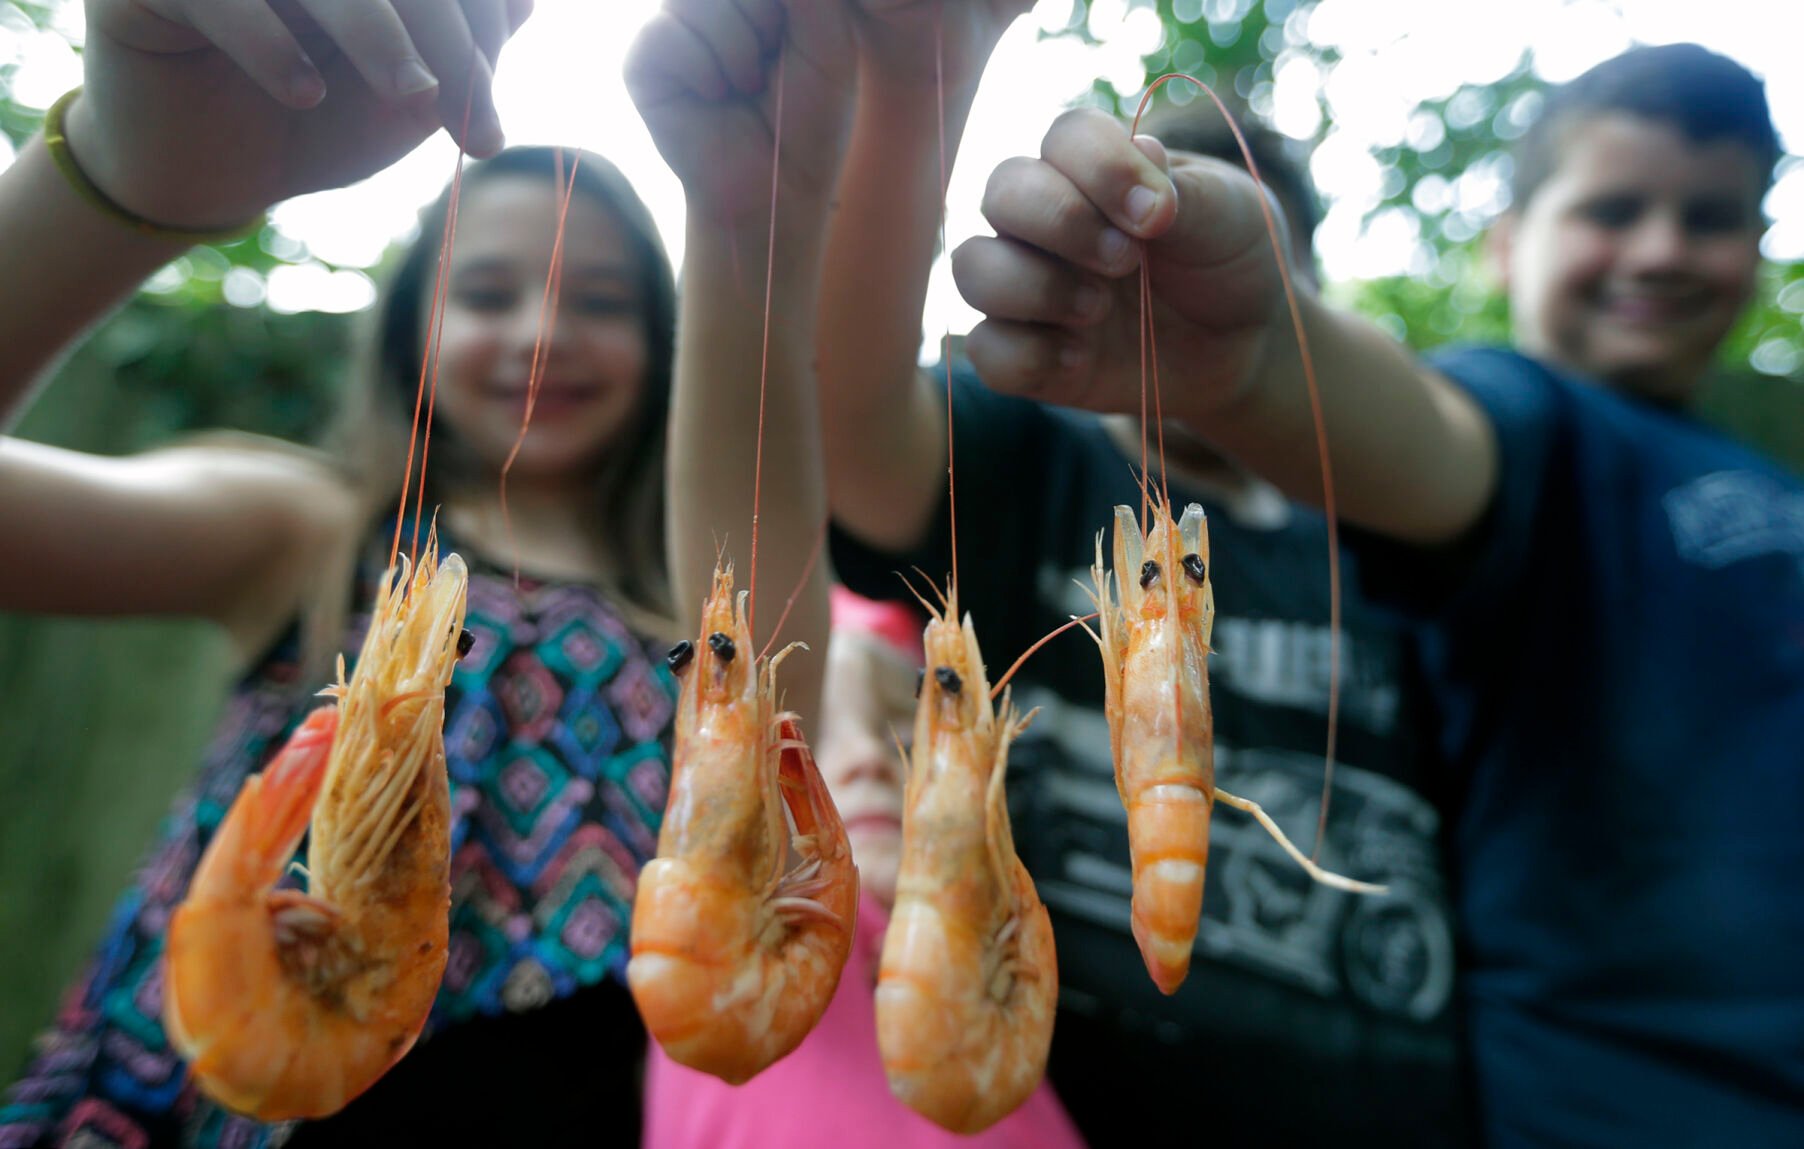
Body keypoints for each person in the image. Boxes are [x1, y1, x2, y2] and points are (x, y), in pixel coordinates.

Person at [953, 41, 1801, 1148]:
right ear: (1503, 246)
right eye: (1613, 207)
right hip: (1625, 1106)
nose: (1660, 247)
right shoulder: (1520, 413)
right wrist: (1250, 364)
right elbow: (1428, 443)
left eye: (1710, 216)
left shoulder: (1770, 479)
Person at [0, 3, 688, 1145]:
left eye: (603, 302)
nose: (542, 332)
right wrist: (125, 181)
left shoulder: (696, 620)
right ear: (413, 324)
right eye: (486, 293)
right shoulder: (305, 526)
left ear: (666, 345)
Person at [816, 14, 1466, 1148]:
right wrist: (920, 74)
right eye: (1136, 275)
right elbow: (854, 415)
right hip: (1074, 1101)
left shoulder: (1385, 516)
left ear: (1303, 299)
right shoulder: (1030, 465)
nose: (1170, 312)